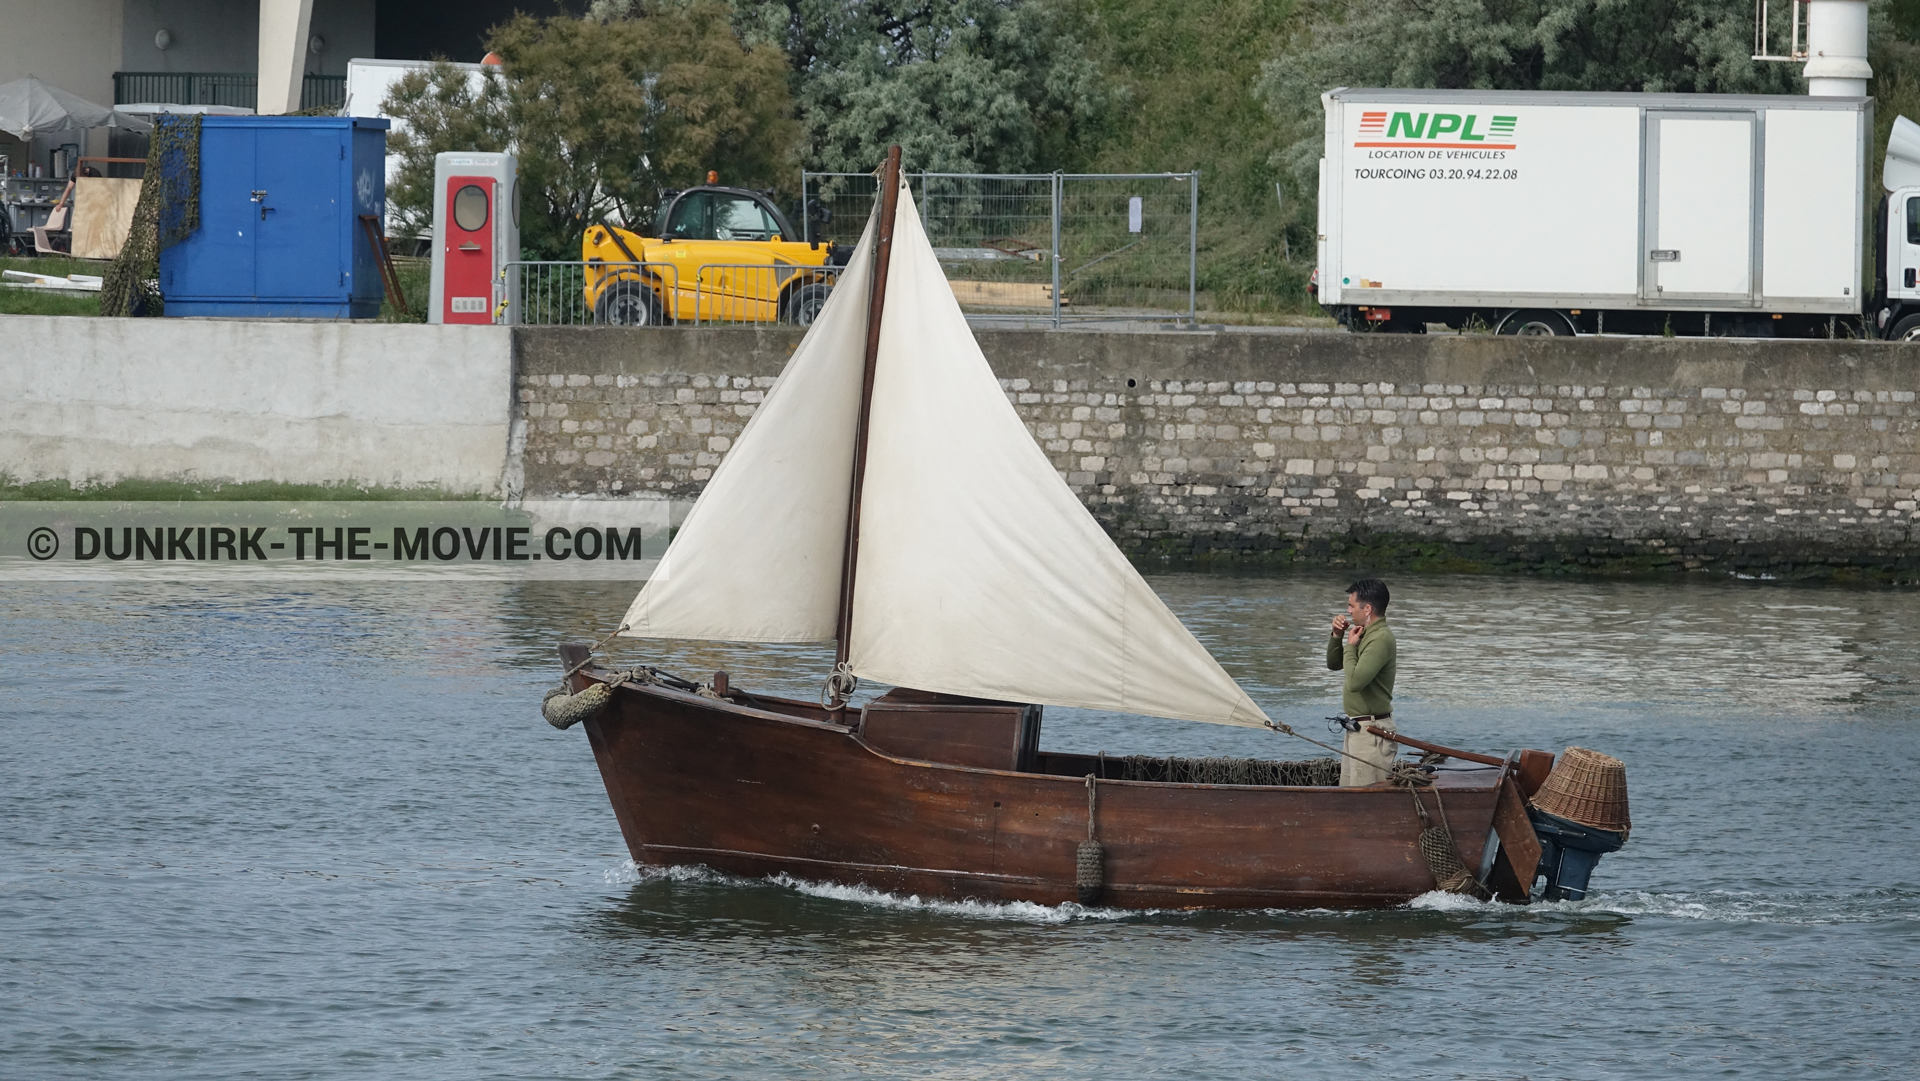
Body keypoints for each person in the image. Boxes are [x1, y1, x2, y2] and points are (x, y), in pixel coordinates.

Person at [1327, 578, 1398, 786]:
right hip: (1358, 728)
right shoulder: (1363, 633)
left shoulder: (1380, 639)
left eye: (1351, 605)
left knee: (1366, 802)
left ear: (1367, 609)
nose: (1348, 610)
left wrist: (1350, 647)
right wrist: (1337, 636)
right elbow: (1333, 665)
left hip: (1372, 731)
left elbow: (1355, 681)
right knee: (1349, 798)